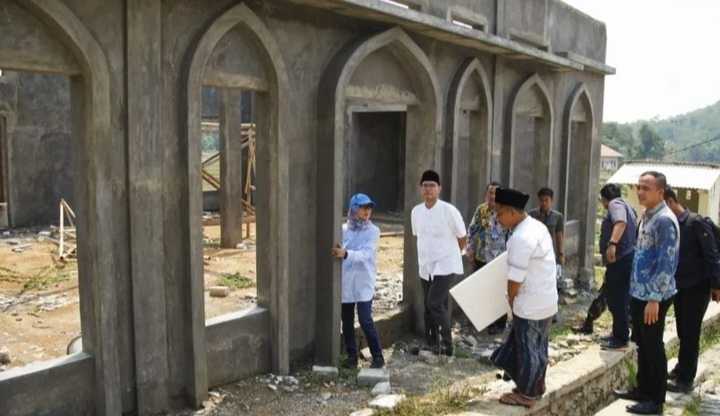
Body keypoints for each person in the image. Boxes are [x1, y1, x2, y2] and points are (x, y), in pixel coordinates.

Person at [614, 171, 679, 415]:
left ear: (660, 192)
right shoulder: (646, 216)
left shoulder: (664, 220)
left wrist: (654, 298)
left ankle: (656, 399)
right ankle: (642, 388)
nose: (640, 192)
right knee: (641, 342)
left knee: (653, 345)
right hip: (639, 293)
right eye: (638, 187)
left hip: (654, 296)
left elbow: (667, 262)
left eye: (646, 188)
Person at [491, 187, 558, 409]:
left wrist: (510, 300)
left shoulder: (521, 237)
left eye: (499, 213)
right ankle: (536, 386)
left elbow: (515, 279)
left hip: (530, 304)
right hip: (546, 301)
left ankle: (527, 395)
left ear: (511, 212)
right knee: (539, 347)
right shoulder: (536, 226)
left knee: (528, 349)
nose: (497, 218)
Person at [664, 187, 720, 393]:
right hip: (680, 286)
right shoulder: (674, 225)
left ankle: (686, 379)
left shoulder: (695, 222)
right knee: (682, 329)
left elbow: (711, 254)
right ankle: (682, 367)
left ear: (670, 202)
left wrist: (716, 285)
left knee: (691, 332)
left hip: (697, 286)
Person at [411, 169, 467, 356]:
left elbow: (462, 237)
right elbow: (419, 236)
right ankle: (432, 343)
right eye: (425, 186)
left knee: (434, 303)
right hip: (426, 265)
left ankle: (447, 344)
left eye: (432, 186)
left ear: (439, 189)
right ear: (421, 189)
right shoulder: (416, 212)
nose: (428, 189)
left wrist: (452, 255)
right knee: (430, 306)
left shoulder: (449, 211)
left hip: (446, 264)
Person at [331, 193, 384, 369]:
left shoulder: (373, 231)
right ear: (353, 209)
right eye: (362, 208)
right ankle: (352, 357)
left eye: (369, 208)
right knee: (346, 321)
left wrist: (346, 253)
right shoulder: (342, 230)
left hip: (363, 282)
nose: (366, 212)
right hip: (346, 282)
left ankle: (377, 357)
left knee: (365, 319)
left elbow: (366, 255)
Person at [583, 184, 637, 350]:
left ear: (604, 199)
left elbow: (620, 222)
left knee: (616, 299)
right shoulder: (629, 206)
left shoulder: (615, 205)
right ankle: (620, 333)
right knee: (621, 297)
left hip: (620, 260)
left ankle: (620, 337)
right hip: (627, 258)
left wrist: (612, 244)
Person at [466, 181, 509, 334]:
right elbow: (472, 229)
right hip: (481, 256)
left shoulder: (506, 211)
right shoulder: (481, 210)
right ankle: (483, 321)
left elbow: (511, 235)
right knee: (481, 290)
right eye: (490, 193)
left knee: (498, 292)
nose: (493, 196)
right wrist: (469, 249)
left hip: (500, 259)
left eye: (496, 193)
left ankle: (499, 323)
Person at [528, 187, 565, 285]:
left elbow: (559, 236)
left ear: (551, 201)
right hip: (534, 254)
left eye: (546, 200)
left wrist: (560, 255)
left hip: (550, 255)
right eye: (541, 200)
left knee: (550, 282)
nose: (543, 203)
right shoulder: (532, 215)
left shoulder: (558, 217)